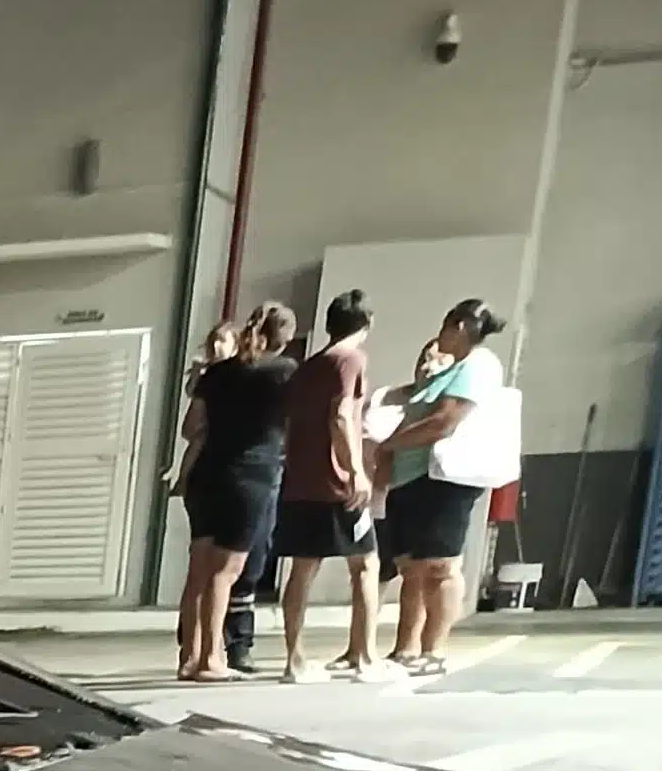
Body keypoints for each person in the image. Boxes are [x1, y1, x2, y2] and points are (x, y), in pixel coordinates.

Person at [376, 300, 513, 676]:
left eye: (444, 327)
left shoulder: (477, 366)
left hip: (441, 479)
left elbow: (444, 422)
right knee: (411, 567)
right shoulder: (447, 371)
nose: (437, 338)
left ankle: (433, 650)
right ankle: (405, 648)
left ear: (461, 326)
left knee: (439, 566)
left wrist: (390, 444)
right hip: (411, 478)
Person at [168, 302, 296, 680]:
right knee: (226, 572)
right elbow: (296, 423)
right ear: (285, 338)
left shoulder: (217, 373)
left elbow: (191, 429)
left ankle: (188, 658)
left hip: (207, 473)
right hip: (250, 475)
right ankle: (212, 659)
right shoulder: (286, 373)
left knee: (198, 571)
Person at [270, 291, 376, 675]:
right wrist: (356, 472)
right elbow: (341, 417)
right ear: (368, 324)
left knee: (303, 568)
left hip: (301, 480)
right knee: (365, 564)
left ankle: (294, 660)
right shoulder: (350, 359)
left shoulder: (308, 367)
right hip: (336, 483)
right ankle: (363, 656)